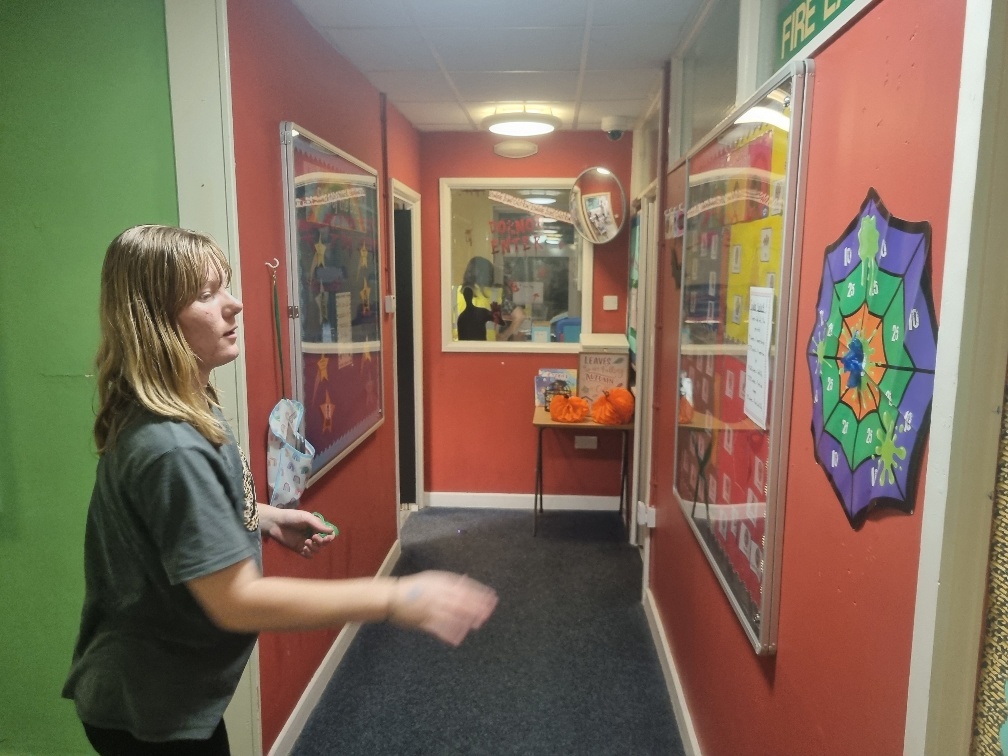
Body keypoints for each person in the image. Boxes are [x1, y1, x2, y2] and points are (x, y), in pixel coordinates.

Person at [63, 225, 498, 755]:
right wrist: (394, 596)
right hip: (150, 708)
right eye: (206, 294)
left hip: (173, 694)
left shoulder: (189, 404)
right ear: (154, 321)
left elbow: (177, 519)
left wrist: (263, 517)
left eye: (225, 286)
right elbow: (238, 602)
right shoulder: (171, 445)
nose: (234, 304)